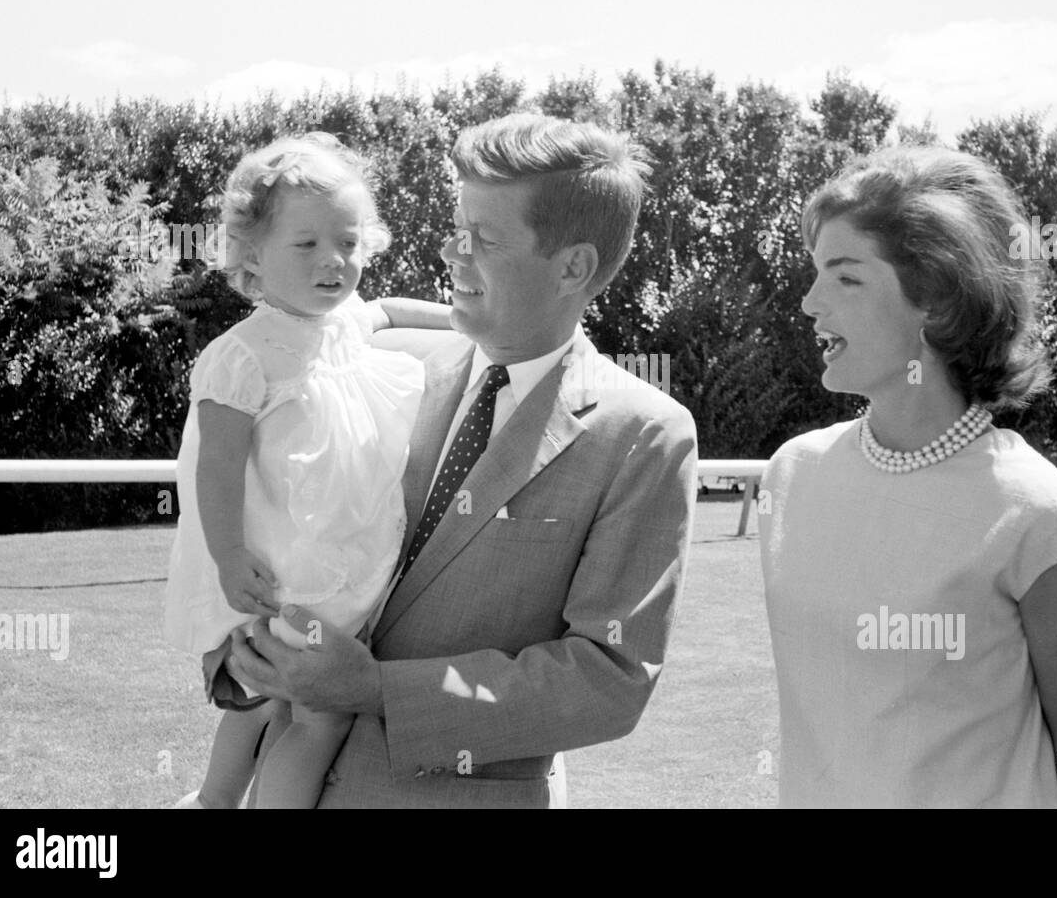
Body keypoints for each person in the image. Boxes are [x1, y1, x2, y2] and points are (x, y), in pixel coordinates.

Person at [221, 113, 699, 808]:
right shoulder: (386, 369)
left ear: (574, 266)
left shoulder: (645, 435)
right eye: (458, 229)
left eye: (486, 239)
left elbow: (606, 680)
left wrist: (375, 689)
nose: (453, 253)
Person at [760, 146, 1057, 807]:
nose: (810, 303)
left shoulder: (1042, 518)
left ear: (934, 296)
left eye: (845, 278)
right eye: (815, 273)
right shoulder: (792, 477)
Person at [164, 132, 451, 808]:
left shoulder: (346, 322)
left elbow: (394, 309)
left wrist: (473, 321)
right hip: (283, 575)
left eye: (348, 243)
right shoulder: (245, 355)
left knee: (263, 699)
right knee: (316, 714)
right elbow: (216, 465)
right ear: (253, 256)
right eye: (307, 244)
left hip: (337, 565)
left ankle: (213, 801)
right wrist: (230, 558)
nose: (334, 261)